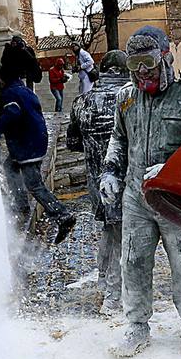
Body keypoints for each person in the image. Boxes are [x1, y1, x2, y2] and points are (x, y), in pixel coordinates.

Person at [99, 25, 181, 358]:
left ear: (166, 58)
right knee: (133, 261)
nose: (141, 72)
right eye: (134, 64)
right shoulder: (125, 98)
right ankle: (137, 325)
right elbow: (118, 139)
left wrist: (175, 169)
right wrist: (110, 171)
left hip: (177, 198)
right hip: (136, 197)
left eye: (148, 63)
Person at [66, 50, 129, 314]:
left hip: (95, 182)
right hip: (123, 180)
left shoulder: (81, 102)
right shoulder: (129, 99)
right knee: (123, 236)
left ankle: (103, 282)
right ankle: (113, 298)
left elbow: (72, 143)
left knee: (109, 229)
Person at [0, 75, 77, 244]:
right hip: (34, 140)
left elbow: (13, 113)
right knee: (10, 167)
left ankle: (63, 215)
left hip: (27, 144)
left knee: (34, 185)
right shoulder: (25, 90)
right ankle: (21, 206)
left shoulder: (10, 93)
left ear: (2, 80)